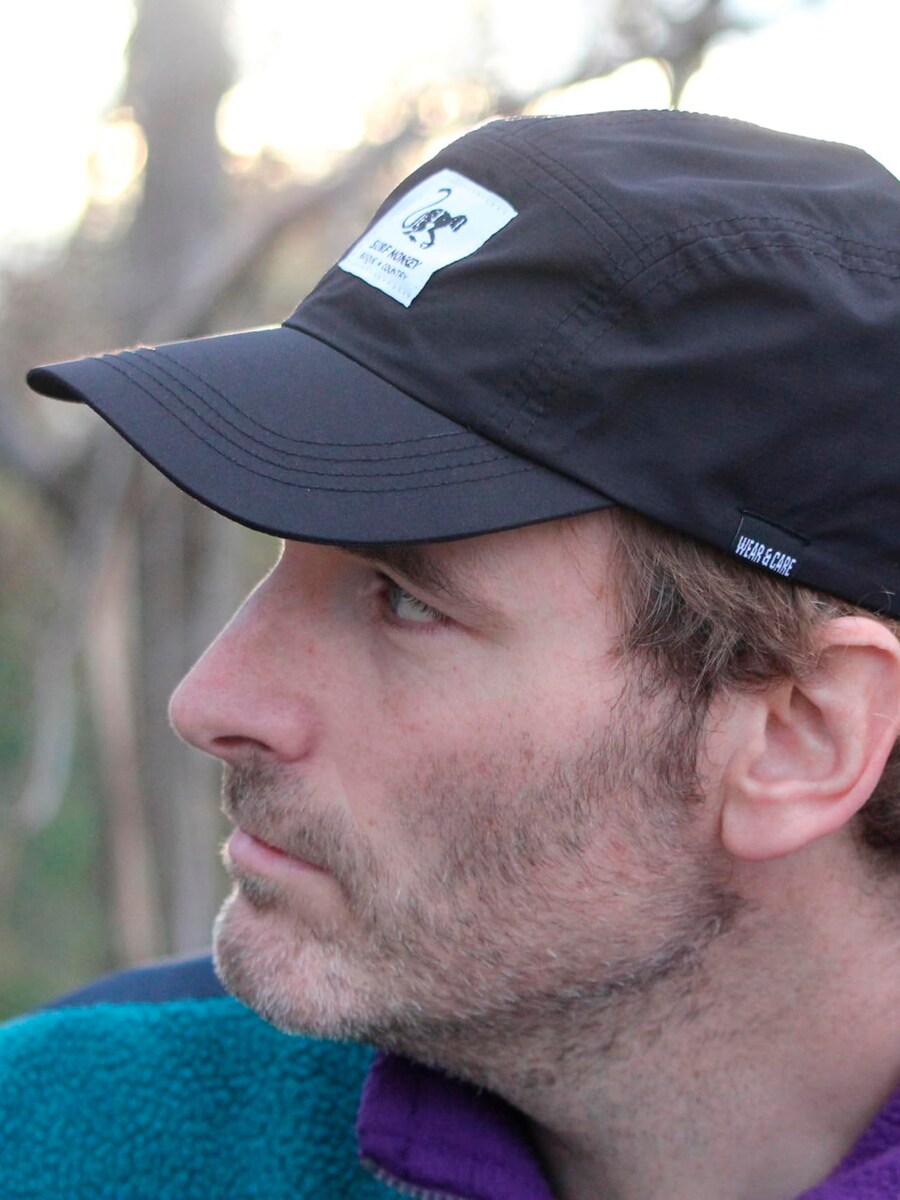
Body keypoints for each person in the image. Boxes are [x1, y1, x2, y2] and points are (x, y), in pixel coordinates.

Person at [4, 109, 900, 1200]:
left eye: (404, 600)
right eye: (283, 554)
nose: (210, 699)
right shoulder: (70, 1129)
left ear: (801, 737)